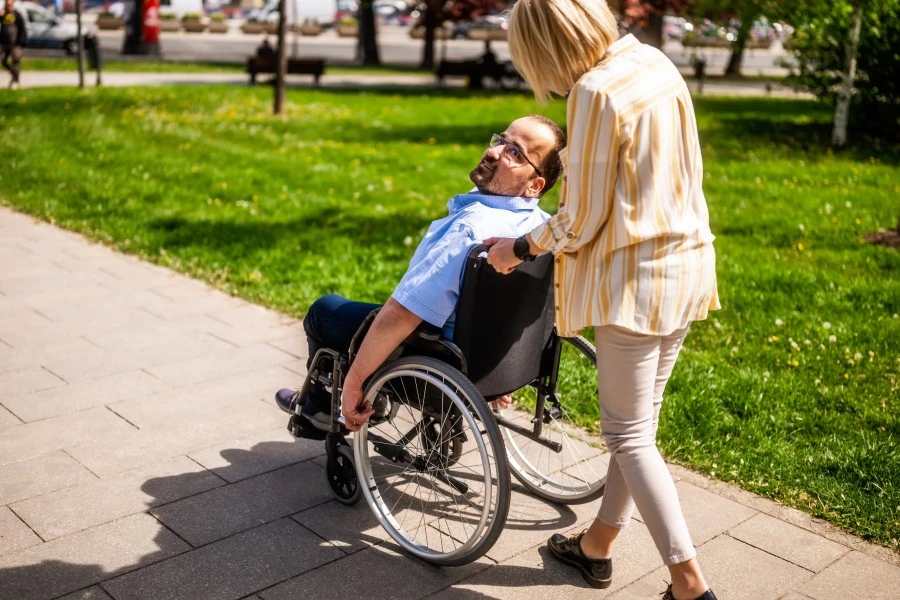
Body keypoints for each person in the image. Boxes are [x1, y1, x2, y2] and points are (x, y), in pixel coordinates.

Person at [484, 2, 720, 600]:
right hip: (688, 260)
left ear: (544, 43)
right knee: (637, 425)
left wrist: (519, 246)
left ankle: (690, 587)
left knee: (628, 435)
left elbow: (581, 219)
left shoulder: (593, 90)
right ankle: (598, 545)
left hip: (634, 280)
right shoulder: (652, 61)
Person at [275, 114, 566, 440]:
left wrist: (355, 384)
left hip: (440, 359)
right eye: (501, 140)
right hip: (492, 362)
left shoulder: (471, 227)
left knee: (323, 311)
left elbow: (402, 314)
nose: (495, 152)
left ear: (534, 184)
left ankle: (318, 410)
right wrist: (500, 369)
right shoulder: (540, 232)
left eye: (515, 153)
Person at [0, 0, 26, 90]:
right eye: (7, 5)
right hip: (5, 44)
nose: (9, 6)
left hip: (16, 44)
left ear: (13, 5)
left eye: (10, 5)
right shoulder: (3, 15)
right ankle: (14, 76)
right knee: (3, 60)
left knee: (15, 62)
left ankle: (16, 81)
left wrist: (21, 43)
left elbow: (22, 29)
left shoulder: (17, 15)